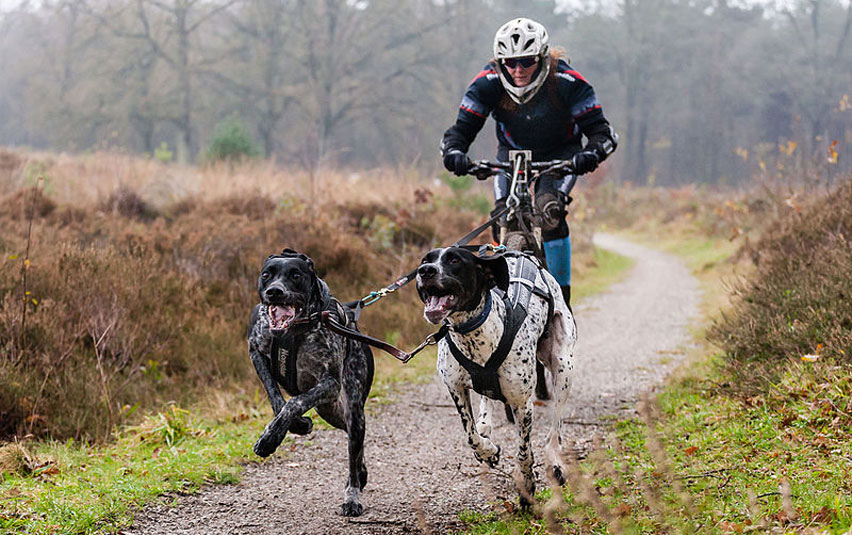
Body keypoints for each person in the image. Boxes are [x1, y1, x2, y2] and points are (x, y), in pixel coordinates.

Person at [440, 17, 618, 308]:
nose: (518, 70)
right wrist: (455, 153)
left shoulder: (568, 82)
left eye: (526, 61)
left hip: (560, 155)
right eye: (510, 62)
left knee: (550, 212)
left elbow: (604, 133)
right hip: (510, 155)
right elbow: (459, 131)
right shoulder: (487, 83)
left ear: (543, 56)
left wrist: (590, 154)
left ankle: (562, 302)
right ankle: (501, 300)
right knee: (501, 217)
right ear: (499, 62)